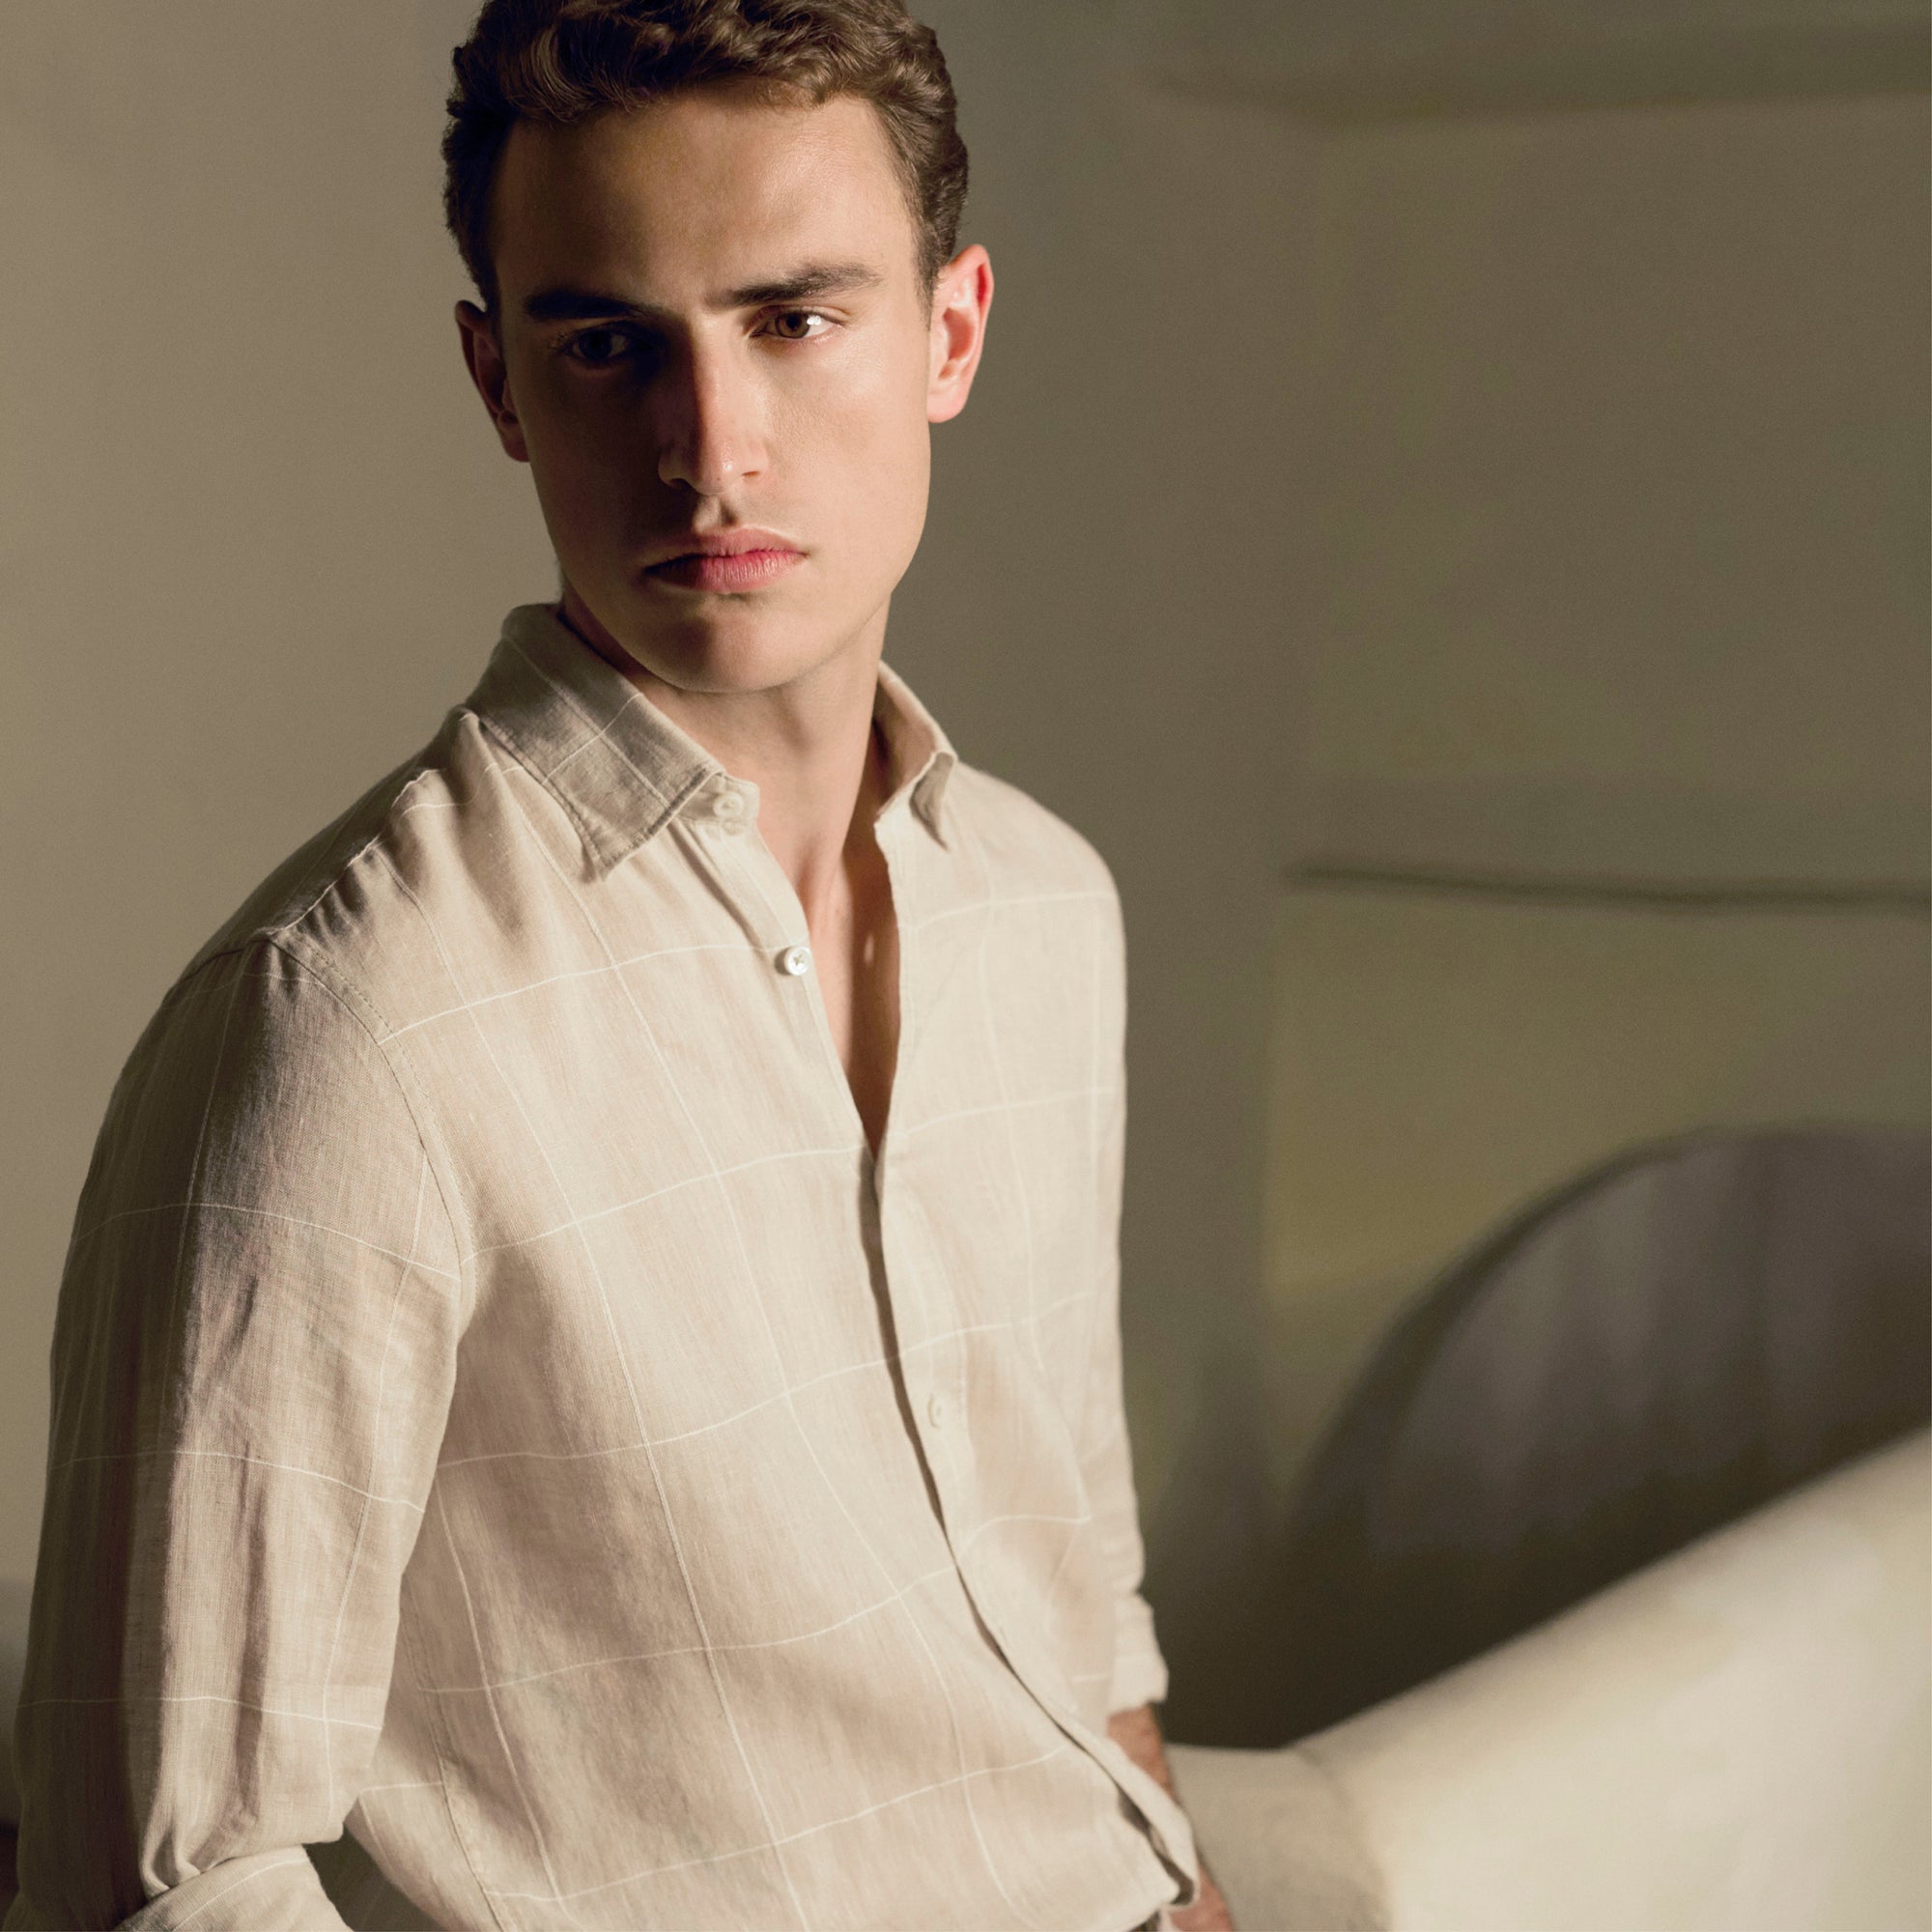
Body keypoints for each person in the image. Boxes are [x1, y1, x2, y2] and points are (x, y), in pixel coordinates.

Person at [6, 2, 1236, 1927]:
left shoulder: (1042, 909)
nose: (708, 449)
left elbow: (1075, 1605)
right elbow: (162, 1876)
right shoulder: (355, 1023)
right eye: (606, 344)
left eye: (793, 318)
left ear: (951, 333)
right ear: (500, 381)